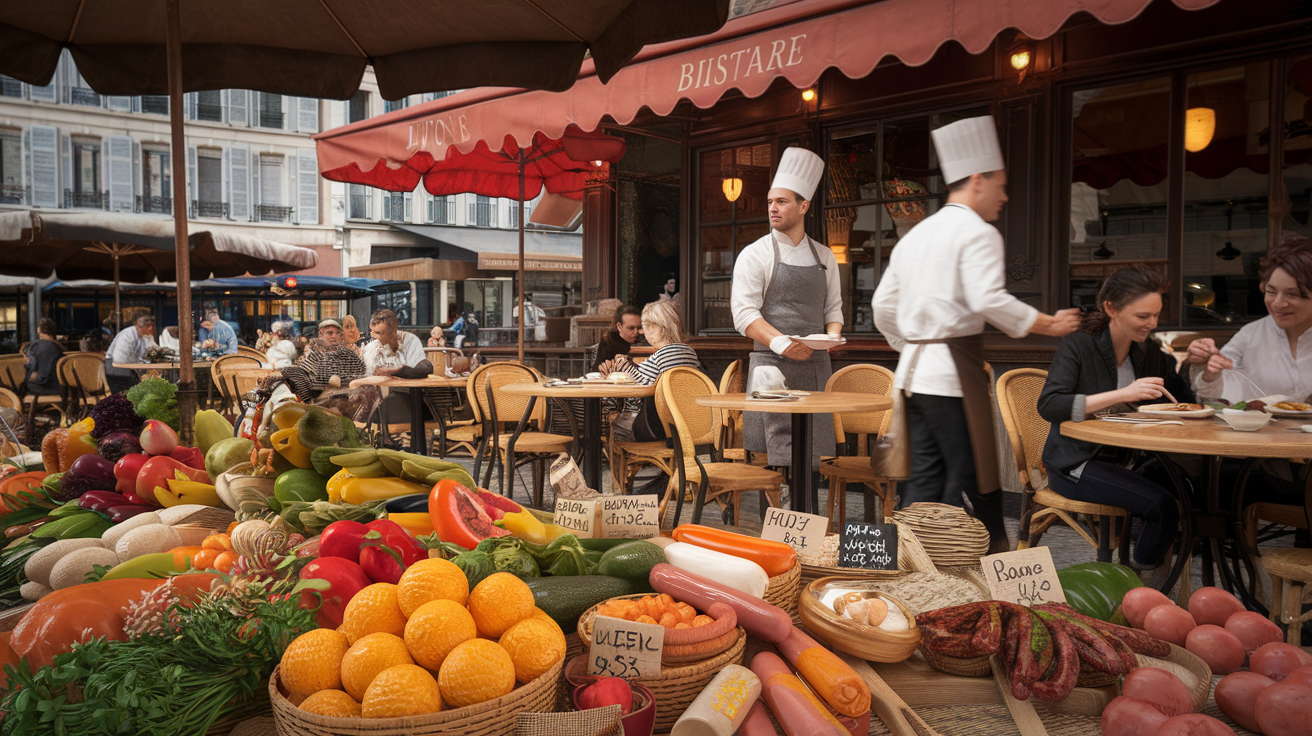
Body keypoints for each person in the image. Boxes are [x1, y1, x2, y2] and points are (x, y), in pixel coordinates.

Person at [873, 116, 1082, 553]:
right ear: (977, 180)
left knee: (927, 476)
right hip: (951, 376)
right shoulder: (979, 233)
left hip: (912, 375)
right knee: (975, 480)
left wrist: (912, 346)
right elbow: (988, 298)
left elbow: (882, 307)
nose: (1005, 197)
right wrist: (1047, 324)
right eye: (1000, 185)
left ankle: (913, 565)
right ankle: (993, 562)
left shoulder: (916, 235)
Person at [1036, 267, 1191, 568]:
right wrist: (1124, 394)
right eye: (1143, 316)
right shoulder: (1079, 345)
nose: (1153, 324)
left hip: (1129, 459)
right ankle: (1139, 586)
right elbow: (1050, 404)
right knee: (1161, 506)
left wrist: (1200, 366)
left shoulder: (1149, 352)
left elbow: (1184, 402)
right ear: (1111, 308)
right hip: (1075, 461)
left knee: (1190, 490)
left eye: (1156, 315)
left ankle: (1155, 576)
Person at [730, 147, 843, 486]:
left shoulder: (824, 256)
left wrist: (831, 337)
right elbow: (743, 313)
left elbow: (833, 309)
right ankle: (775, 530)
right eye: (770, 202)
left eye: (781, 201)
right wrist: (782, 344)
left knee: (811, 461)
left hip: (814, 366)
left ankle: (808, 528)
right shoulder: (755, 254)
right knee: (774, 460)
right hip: (769, 368)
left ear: (804, 206)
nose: (772, 209)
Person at [1186, 236, 1312, 404]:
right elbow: (1211, 393)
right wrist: (1209, 369)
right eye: (1271, 291)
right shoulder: (1251, 334)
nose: (1278, 303)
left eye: (1292, 294)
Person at [601, 300, 701, 443]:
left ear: (656, 327)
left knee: (612, 424)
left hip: (657, 427)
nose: (642, 331)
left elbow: (641, 386)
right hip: (684, 423)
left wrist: (623, 365)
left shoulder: (662, 355)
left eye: (645, 326)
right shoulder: (689, 352)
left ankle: (627, 462)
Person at [104, 313, 157, 393]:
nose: (152, 328)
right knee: (128, 396)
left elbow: (148, 352)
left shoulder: (144, 337)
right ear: (143, 326)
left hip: (128, 370)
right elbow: (119, 359)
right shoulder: (128, 334)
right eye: (150, 325)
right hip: (116, 370)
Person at [593, 304, 643, 372]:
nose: (636, 332)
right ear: (619, 326)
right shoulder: (609, 342)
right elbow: (597, 370)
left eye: (639, 328)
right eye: (631, 328)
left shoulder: (644, 340)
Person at [24, 318, 63, 396]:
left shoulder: (41, 346)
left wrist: (31, 376)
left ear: (39, 330)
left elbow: (42, 378)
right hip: (61, 387)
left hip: (49, 388)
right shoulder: (59, 347)